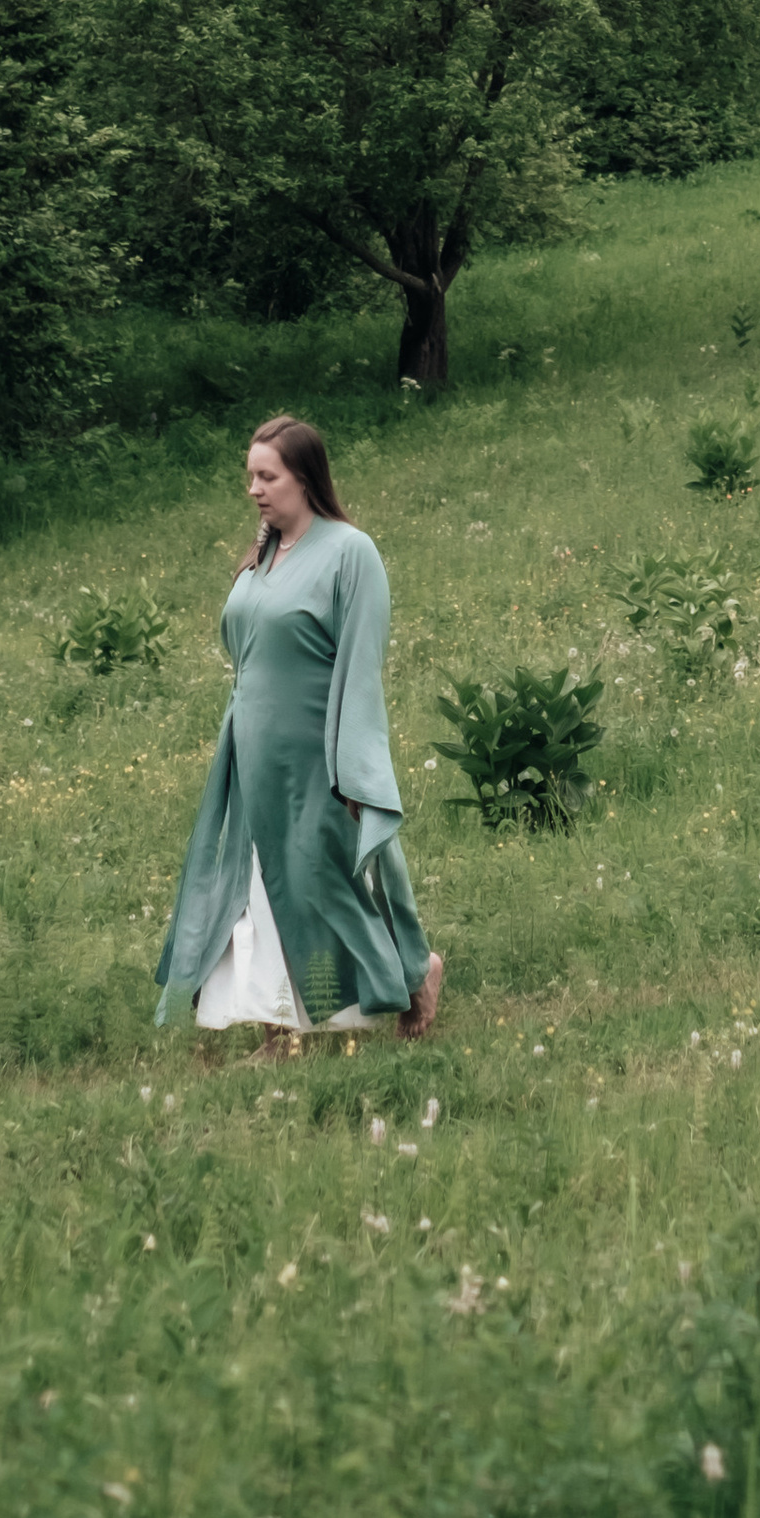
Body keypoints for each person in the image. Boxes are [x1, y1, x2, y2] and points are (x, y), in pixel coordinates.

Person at [156, 415, 445, 1054]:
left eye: (268, 475)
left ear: (305, 478)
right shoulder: (260, 556)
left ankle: (413, 970)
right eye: (250, 476)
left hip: (320, 755)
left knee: (326, 883)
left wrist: (355, 768)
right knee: (256, 889)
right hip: (254, 756)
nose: (255, 489)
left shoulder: (350, 552)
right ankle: (279, 1029)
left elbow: (360, 667)